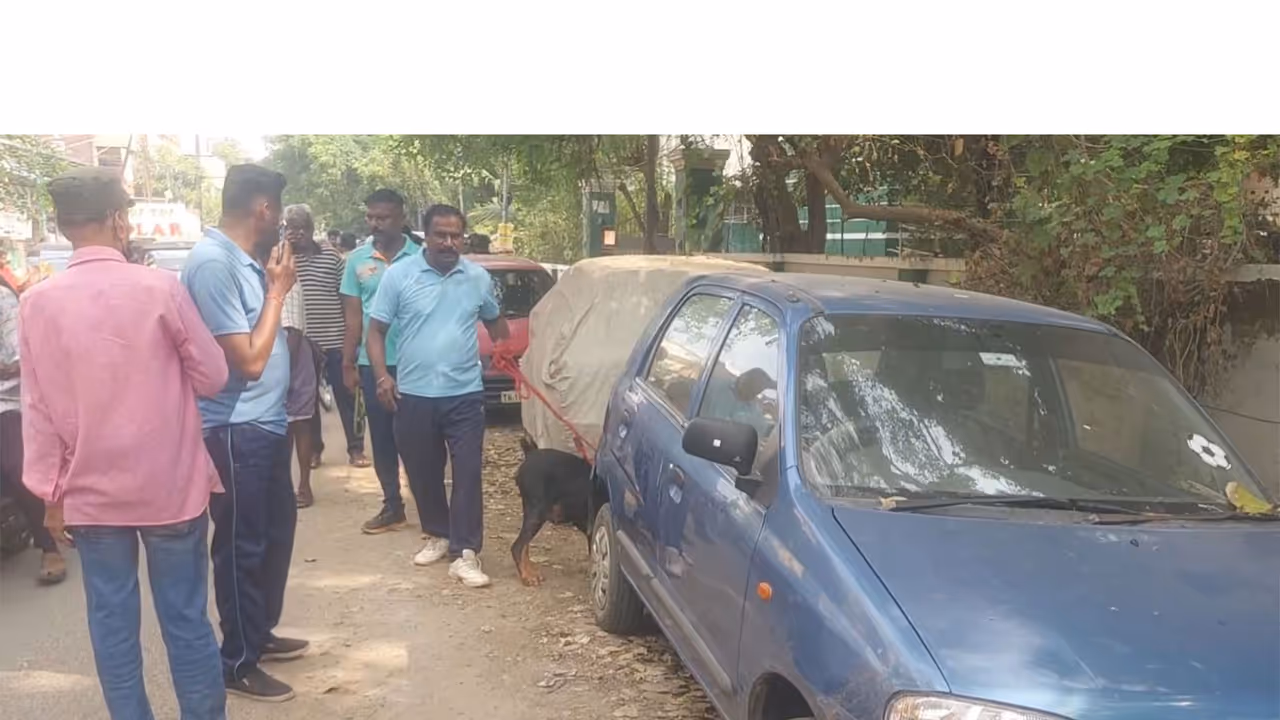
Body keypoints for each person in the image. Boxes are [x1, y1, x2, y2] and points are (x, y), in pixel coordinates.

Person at [19, 167, 228, 719]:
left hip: (91, 494)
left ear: (64, 227)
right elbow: (213, 377)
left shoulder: (37, 303)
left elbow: (37, 411)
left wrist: (49, 496)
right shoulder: (160, 287)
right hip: (171, 488)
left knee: (112, 625)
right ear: (117, 220)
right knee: (185, 620)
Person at [181, 164, 308, 703]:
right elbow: (248, 362)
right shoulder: (213, 264)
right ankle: (236, 661)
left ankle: (258, 633)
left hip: (265, 423)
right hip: (235, 429)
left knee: (275, 536)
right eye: (276, 212)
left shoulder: (245, 261)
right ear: (265, 210)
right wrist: (279, 292)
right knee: (241, 546)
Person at [367, 204, 510, 588]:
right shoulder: (400, 275)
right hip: (413, 394)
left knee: (467, 473)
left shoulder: (478, 278)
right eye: (440, 235)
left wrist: (502, 348)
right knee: (423, 471)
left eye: (456, 236)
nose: (449, 243)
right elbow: (375, 330)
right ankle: (437, 532)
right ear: (425, 237)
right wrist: (382, 377)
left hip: (465, 395)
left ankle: (465, 553)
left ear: (463, 238)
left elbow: (496, 321)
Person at [340, 189, 416, 535]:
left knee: (420, 437)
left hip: (419, 364)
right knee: (382, 438)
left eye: (382, 217)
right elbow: (353, 318)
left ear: (401, 217)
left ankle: (429, 507)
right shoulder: (357, 261)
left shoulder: (422, 256)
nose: (375, 224)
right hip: (375, 365)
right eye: (371, 217)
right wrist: (348, 363)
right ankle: (392, 505)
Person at [289, 206, 367, 473]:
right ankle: (314, 450)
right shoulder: (283, 259)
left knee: (346, 395)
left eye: (300, 227)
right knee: (307, 401)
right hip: (301, 344)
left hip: (334, 339)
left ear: (311, 229)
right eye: (289, 227)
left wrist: (351, 340)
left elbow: (347, 300)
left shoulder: (332, 259)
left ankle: (356, 449)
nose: (295, 233)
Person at [0, 272, 66, 585]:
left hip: (7, 400)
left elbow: (18, 357)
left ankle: (48, 546)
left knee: (15, 466)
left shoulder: (3, 299)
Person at [278, 226, 319, 508]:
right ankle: (286, 486)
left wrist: (282, 373)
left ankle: (303, 486)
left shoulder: (289, 283)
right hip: (277, 356)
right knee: (285, 428)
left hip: (290, 357)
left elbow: (292, 332)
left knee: (298, 425)